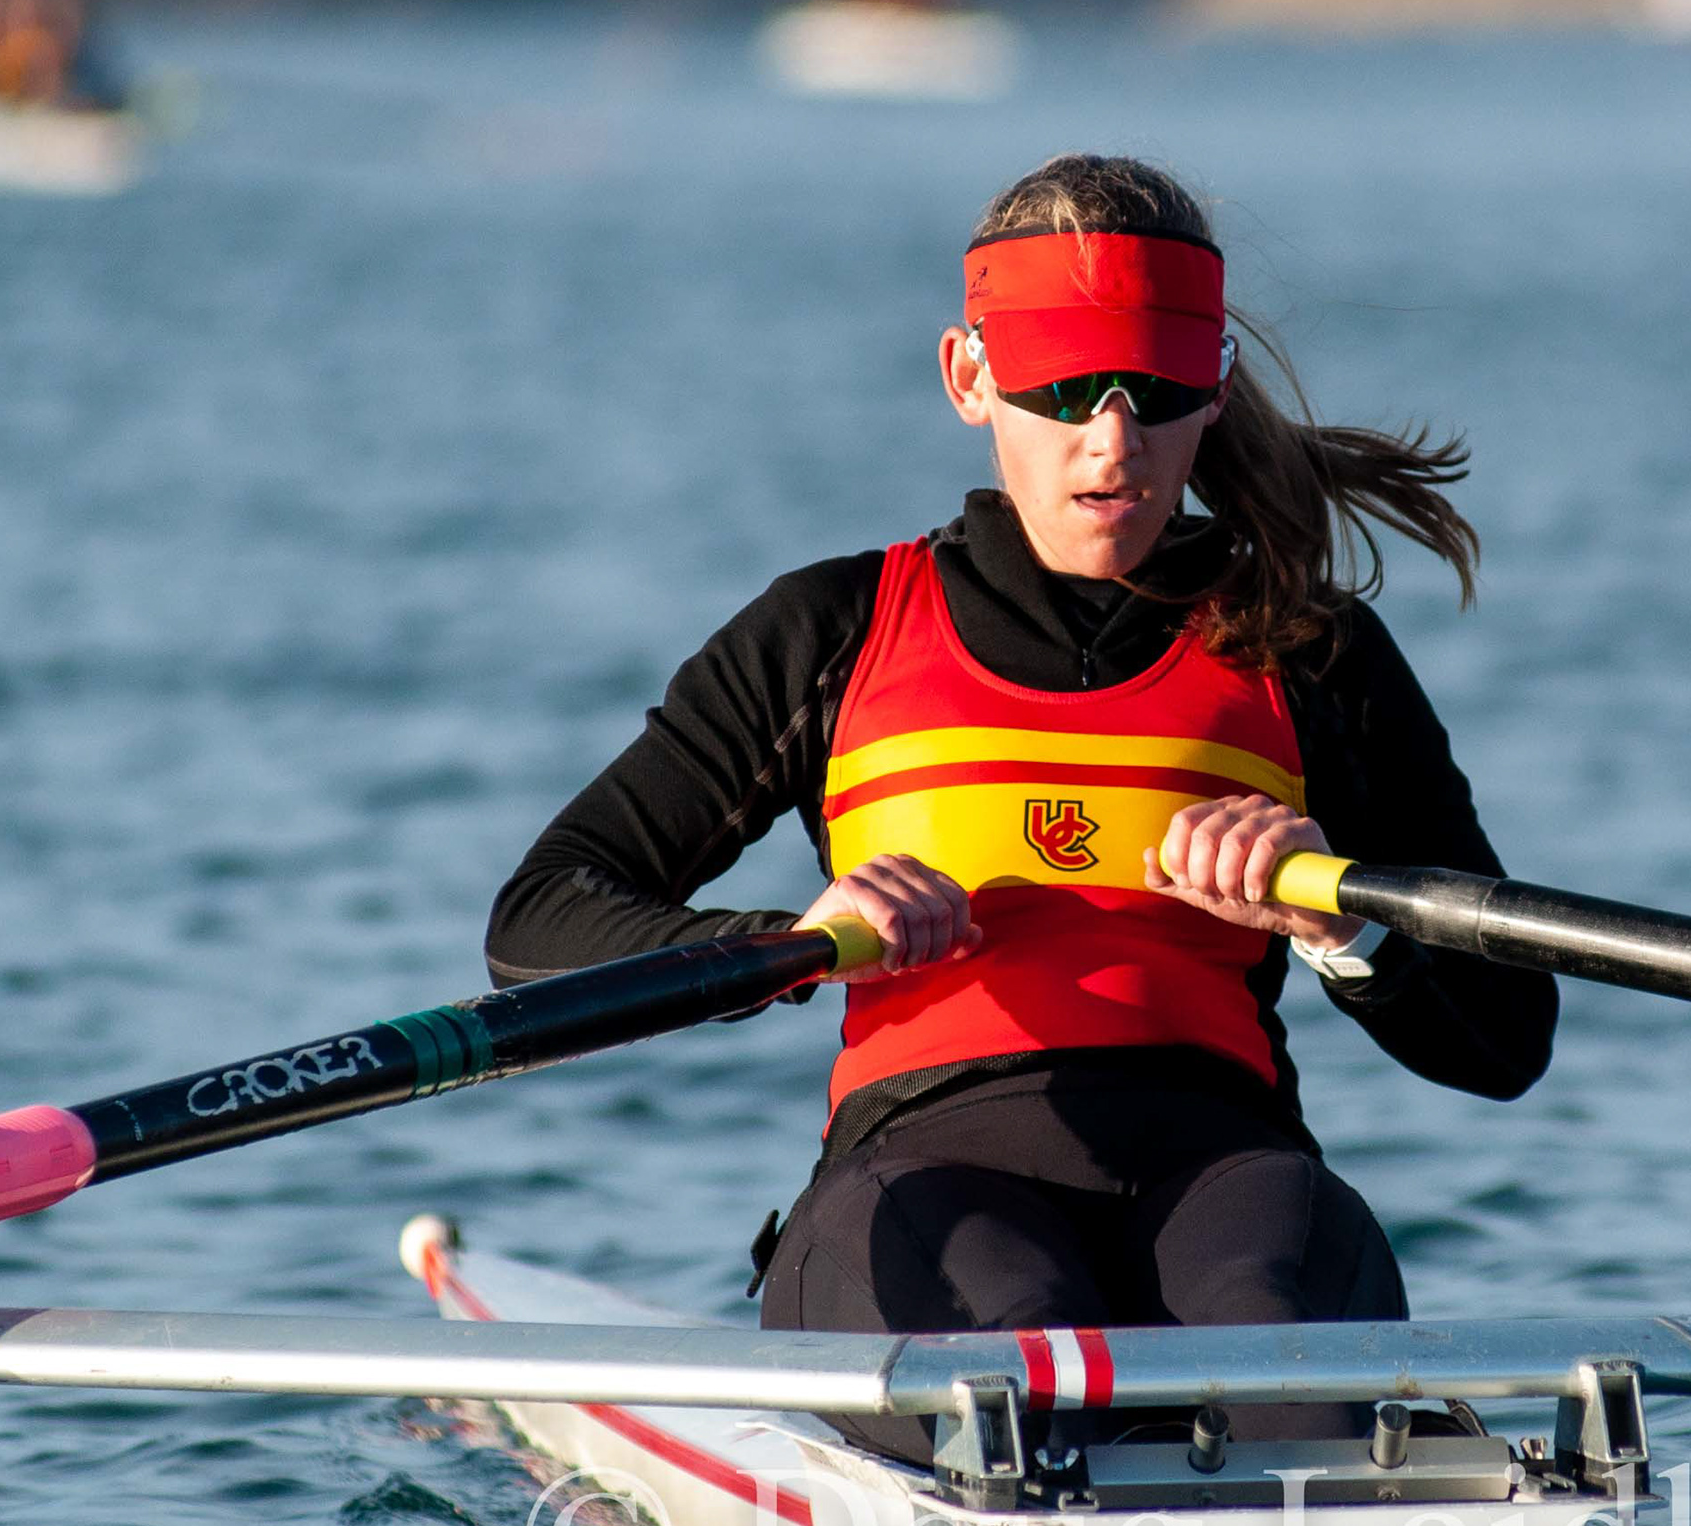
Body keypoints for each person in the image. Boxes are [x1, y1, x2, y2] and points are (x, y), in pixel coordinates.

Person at [488, 153, 1555, 1457]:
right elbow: (538, 922)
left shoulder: (1309, 651)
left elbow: (1508, 1039)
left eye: (1157, 391)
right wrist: (791, 940)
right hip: (924, 1174)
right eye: (1061, 389)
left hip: (1232, 1178)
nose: (1113, 443)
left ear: (1215, 386)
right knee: (1023, 1359)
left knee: (1290, 1377)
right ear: (968, 376)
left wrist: (1345, 928)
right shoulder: (830, 632)